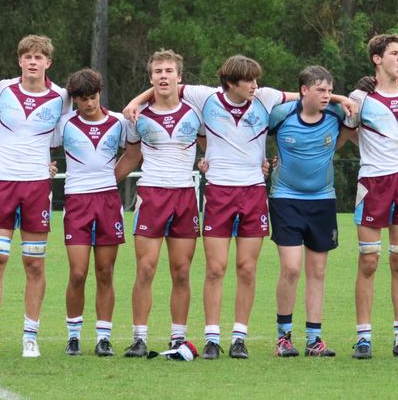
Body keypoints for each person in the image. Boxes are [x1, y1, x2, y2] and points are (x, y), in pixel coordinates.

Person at [123, 55, 353, 359]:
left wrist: (338, 98)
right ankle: (212, 338)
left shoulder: (266, 98)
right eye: (250, 81)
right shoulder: (205, 97)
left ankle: (239, 338)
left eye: (257, 81)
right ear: (231, 83)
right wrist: (134, 102)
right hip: (218, 192)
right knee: (216, 269)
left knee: (246, 269)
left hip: (254, 192)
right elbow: (165, 86)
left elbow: (304, 94)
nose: (256, 86)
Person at [0, 35, 70, 358]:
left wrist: (50, 162)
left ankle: (30, 335)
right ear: (19, 61)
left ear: (48, 63)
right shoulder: (3, 89)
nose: (33, 61)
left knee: (34, 263)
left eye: (39, 57)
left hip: (36, 186)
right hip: (2, 182)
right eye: (27, 56)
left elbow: (64, 135)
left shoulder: (61, 97)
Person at [115, 49, 204, 358]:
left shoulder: (196, 111)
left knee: (181, 271)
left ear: (179, 77)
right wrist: (103, 184)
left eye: (169, 71)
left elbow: (214, 145)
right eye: (157, 72)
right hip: (151, 196)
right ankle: (139, 338)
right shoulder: (137, 117)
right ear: (150, 78)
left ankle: (178, 338)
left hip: (184, 196)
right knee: (146, 269)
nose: (163, 75)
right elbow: (131, 156)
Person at [347, 34, 398, 359]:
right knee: (368, 260)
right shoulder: (360, 97)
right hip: (371, 184)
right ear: (377, 59)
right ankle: (363, 337)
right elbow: (349, 130)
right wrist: (371, 151)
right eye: (394, 53)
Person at [268, 66, 352, 358]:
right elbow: (251, 139)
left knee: (317, 271)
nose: (327, 95)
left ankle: (314, 339)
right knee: (291, 268)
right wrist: (264, 164)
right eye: (320, 90)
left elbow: (348, 130)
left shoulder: (336, 115)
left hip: (323, 200)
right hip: (285, 200)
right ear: (304, 90)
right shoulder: (280, 115)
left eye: (330, 90)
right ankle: (283, 338)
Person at [53, 68, 126, 356]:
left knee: (105, 272)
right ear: (75, 100)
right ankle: (73, 335)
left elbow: (134, 153)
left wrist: (110, 179)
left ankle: (103, 337)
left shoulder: (120, 122)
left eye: (93, 97)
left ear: (100, 94)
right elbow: (37, 146)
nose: (89, 104)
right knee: (78, 272)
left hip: (108, 201)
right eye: (82, 99)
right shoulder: (64, 124)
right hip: (77, 202)